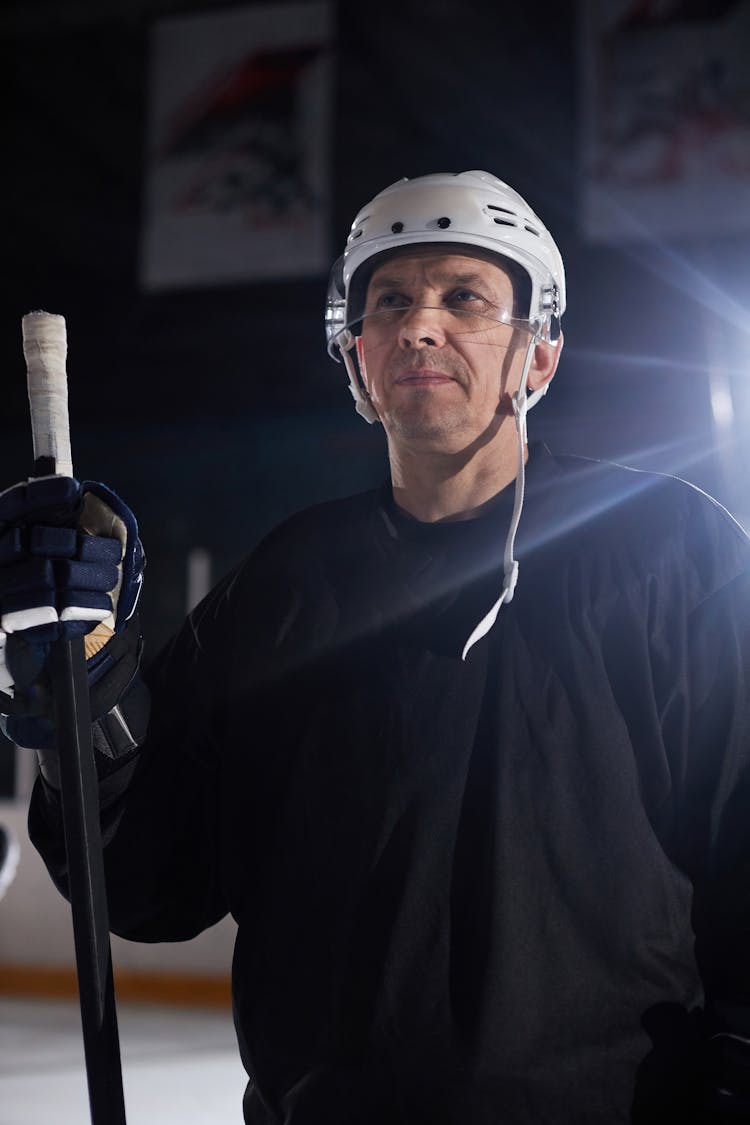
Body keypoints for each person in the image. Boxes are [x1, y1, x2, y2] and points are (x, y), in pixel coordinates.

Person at [1, 170, 749, 1123]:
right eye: (389, 301)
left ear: (540, 357)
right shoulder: (284, 587)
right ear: (356, 360)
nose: (419, 325)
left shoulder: (668, 549)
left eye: (465, 297)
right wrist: (84, 678)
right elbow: (151, 877)